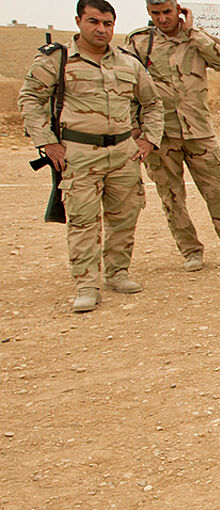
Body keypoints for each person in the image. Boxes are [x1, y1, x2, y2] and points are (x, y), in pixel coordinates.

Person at [19, 0, 162, 314]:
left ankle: (117, 272)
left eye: (107, 23)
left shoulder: (129, 63)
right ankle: (86, 284)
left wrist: (149, 140)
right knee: (83, 220)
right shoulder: (57, 60)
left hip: (123, 152)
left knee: (125, 216)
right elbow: (30, 99)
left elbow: (152, 104)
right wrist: (48, 143)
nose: (101, 29)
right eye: (94, 22)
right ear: (78, 21)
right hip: (78, 153)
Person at [124, 1, 220, 273]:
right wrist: (135, 127)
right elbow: (128, 85)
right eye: (156, 14)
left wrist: (193, 32)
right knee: (172, 197)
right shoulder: (140, 42)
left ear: (178, 9)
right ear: (149, 13)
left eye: (167, 12)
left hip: (198, 131)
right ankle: (190, 250)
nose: (163, 19)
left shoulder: (196, 37)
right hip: (160, 133)